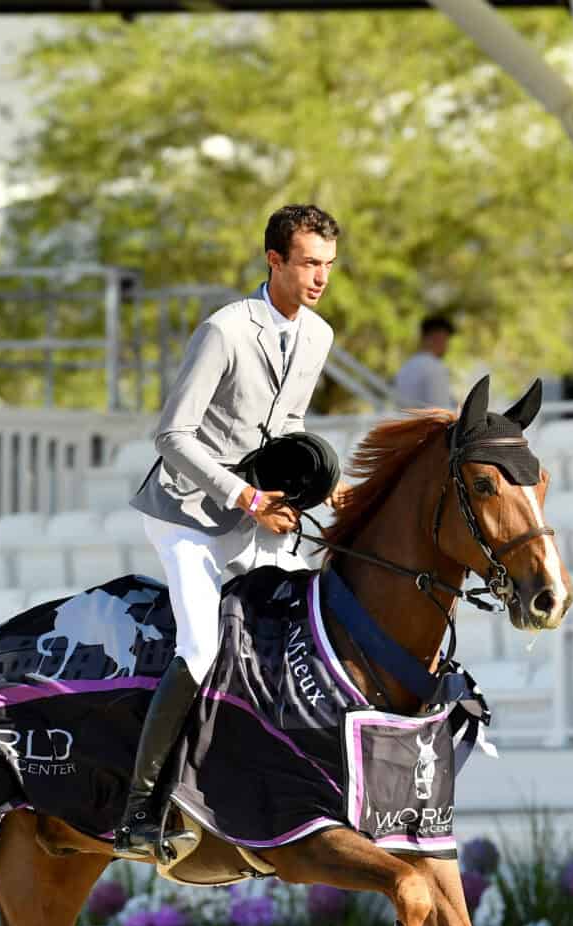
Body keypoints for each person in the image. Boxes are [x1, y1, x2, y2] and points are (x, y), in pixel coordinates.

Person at [119, 204, 346, 856]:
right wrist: (245, 496)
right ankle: (140, 810)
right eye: (309, 263)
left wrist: (322, 487)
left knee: (307, 629)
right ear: (274, 260)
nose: (321, 277)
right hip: (187, 511)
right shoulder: (224, 330)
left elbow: (286, 427)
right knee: (201, 647)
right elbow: (172, 435)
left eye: (329, 265)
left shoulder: (318, 334)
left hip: (256, 507)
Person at [393, 314, 457, 410]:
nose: (447, 346)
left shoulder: (406, 367)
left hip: (405, 418)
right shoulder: (435, 368)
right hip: (425, 419)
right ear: (436, 338)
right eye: (445, 339)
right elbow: (442, 411)